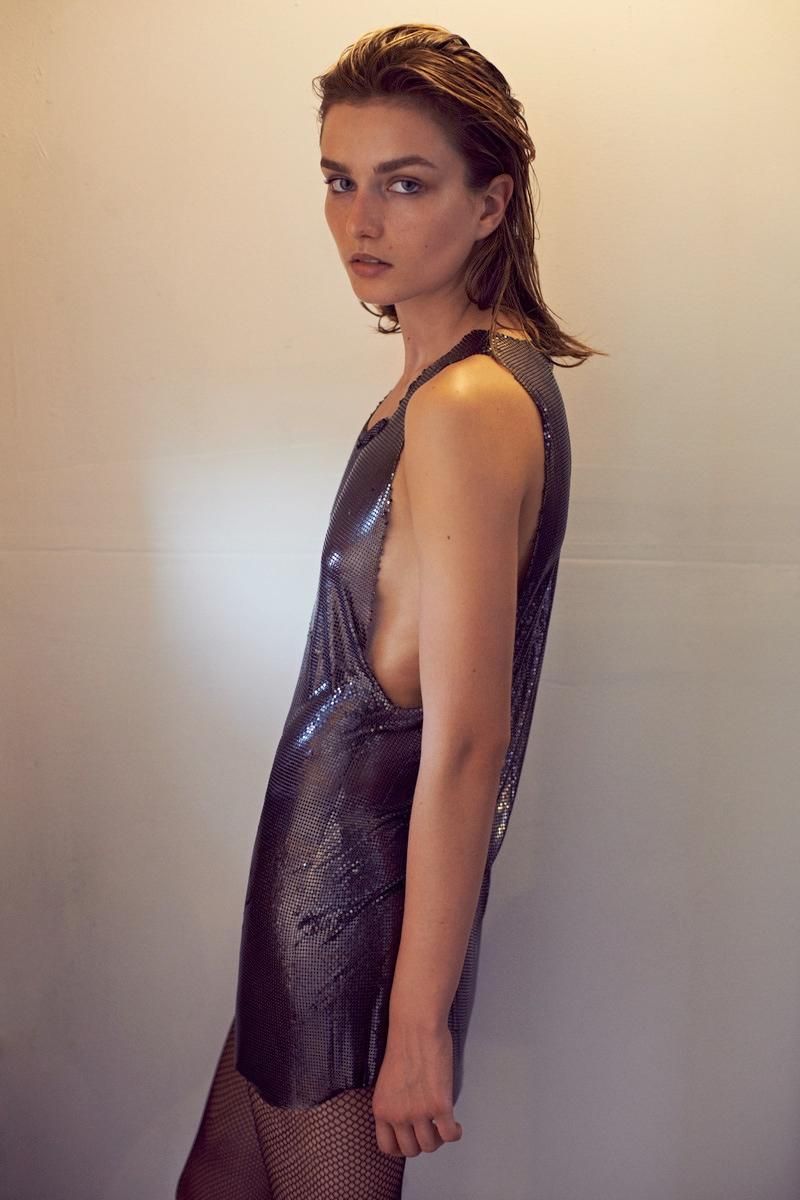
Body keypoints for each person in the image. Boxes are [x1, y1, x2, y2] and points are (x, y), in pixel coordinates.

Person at [176, 21, 603, 1200]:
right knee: (216, 1183)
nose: (359, 220)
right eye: (339, 181)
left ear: (489, 203)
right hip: (310, 896)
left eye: (404, 184)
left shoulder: (465, 406)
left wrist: (415, 1020)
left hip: (348, 923)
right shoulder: (430, 386)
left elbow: (465, 738)